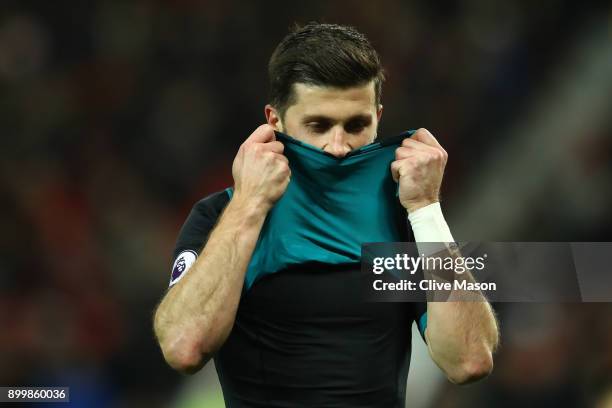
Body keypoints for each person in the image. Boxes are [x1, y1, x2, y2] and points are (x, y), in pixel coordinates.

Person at [153, 22, 499, 407]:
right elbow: (184, 347)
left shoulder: (405, 219)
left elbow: (468, 360)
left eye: (356, 125)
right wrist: (250, 205)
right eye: (318, 125)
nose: (338, 146)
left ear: (378, 118)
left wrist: (426, 208)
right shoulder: (221, 216)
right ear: (275, 121)